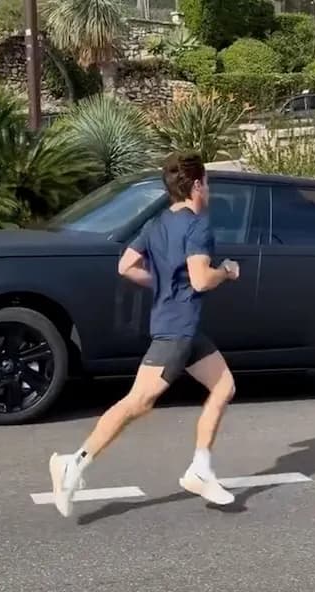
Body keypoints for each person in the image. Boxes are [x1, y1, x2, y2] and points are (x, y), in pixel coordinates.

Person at [48, 151, 241, 517]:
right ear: (197, 185)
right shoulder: (198, 226)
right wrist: (226, 272)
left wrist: (163, 282)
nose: (209, 190)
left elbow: (126, 265)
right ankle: (74, 464)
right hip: (177, 330)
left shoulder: (157, 225)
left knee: (224, 386)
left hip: (183, 327)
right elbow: (201, 279)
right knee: (137, 402)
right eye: (208, 183)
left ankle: (201, 468)